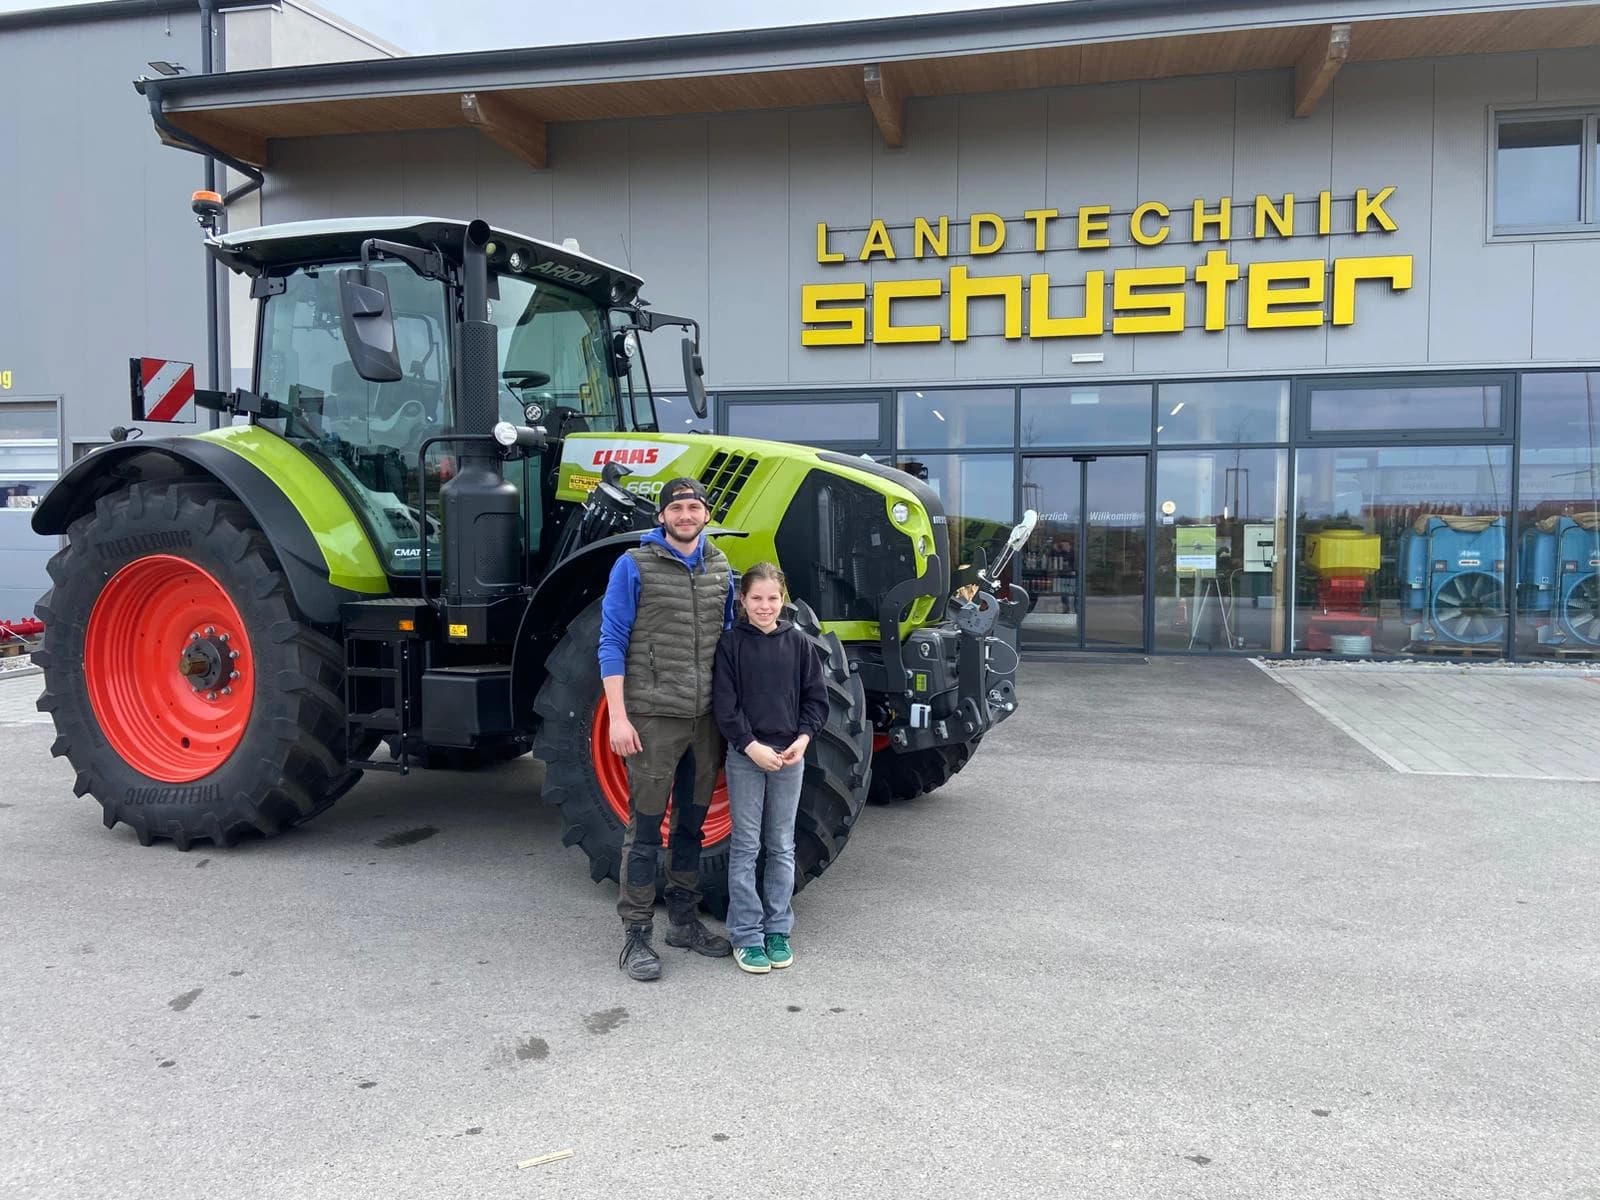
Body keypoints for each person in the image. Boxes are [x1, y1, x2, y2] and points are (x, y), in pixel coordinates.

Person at [599, 477, 736, 981]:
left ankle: (683, 920)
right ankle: (635, 935)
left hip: (704, 720)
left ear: (706, 514)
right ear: (662, 517)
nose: (685, 514)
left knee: (691, 826)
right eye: (676, 507)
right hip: (653, 718)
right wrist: (618, 715)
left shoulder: (722, 568)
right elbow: (611, 639)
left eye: (693, 506)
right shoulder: (632, 566)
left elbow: (728, 641)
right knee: (645, 827)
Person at [712, 562, 827, 975]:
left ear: (783, 600)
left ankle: (778, 929)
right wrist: (749, 746)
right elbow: (726, 707)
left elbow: (816, 701)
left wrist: (803, 739)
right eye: (756, 598)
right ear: (742, 600)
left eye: (772, 598)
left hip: (789, 757)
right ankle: (745, 934)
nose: (764, 606)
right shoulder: (730, 645)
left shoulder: (799, 645)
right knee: (745, 847)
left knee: (781, 844)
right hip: (747, 758)